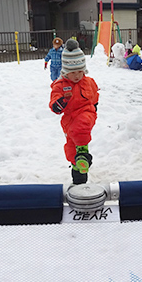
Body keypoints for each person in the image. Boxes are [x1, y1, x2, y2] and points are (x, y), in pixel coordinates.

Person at [49, 38, 99, 185]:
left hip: (86, 112)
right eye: (73, 72)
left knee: (80, 127)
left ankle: (83, 154)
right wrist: (60, 103)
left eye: (80, 71)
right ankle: (79, 177)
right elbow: (54, 101)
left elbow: (95, 94)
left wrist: (95, 106)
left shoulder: (88, 82)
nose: (77, 75)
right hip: (69, 120)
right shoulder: (60, 85)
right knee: (71, 151)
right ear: (65, 71)